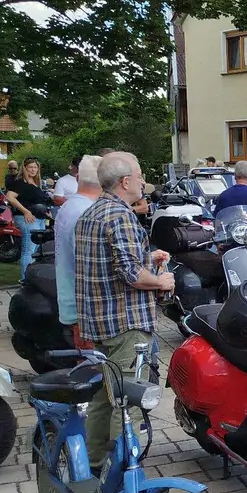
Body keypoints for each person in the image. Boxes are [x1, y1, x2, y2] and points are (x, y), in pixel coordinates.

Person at [74, 152, 173, 473]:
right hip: (126, 324)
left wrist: (147, 255)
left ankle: (90, 467)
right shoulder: (121, 217)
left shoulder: (93, 212)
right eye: (141, 175)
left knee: (105, 399)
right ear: (126, 181)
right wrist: (160, 279)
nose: (144, 182)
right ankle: (121, 477)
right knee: (127, 402)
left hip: (101, 322)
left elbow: (110, 262)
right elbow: (131, 274)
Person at [54, 155, 101, 341]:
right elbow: (94, 267)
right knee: (98, 368)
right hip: (87, 312)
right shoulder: (87, 212)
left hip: (76, 306)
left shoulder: (72, 205)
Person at [7, 157, 52, 283]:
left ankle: (33, 278)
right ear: (25, 168)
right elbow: (10, 197)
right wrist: (25, 211)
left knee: (36, 250)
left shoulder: (35, 183)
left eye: (35, 167)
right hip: (27, 218)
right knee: (29, 249)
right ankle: (25, 279)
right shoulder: (21, 182)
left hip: (40, 218)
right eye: (30, 167)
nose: (33, 170)